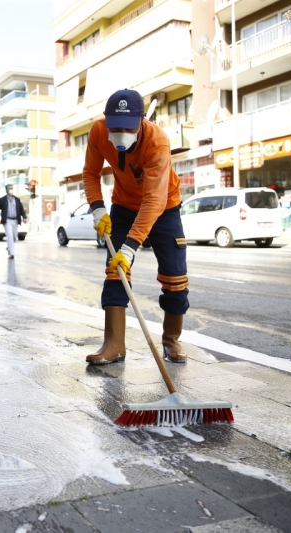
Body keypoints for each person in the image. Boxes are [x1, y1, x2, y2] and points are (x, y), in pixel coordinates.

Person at [82, 88, 189, 365]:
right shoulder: (97, 131)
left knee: (175, 278)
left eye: (127, 128)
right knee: (115, 271)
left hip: (164, 207)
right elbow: (91, 172)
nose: (119, 133)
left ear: (142, 121)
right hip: (124, 206)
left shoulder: (157, 143)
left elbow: (154, 200)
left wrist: (130, 247)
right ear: (105, 120)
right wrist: (97, 209)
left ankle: (171, 340)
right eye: (113, 127)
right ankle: (114, 345)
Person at [0, 185, 27, 259]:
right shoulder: (2, 200)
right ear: (6, 190)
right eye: (10, 189)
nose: (11, 190)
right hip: (7, 220)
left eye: (12, 188)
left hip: (15, 220)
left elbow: (21, 209)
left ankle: (9, 247)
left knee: (14, 237)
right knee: (10, 236)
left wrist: (24, 217)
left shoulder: (17, 199)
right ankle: (11, 253)